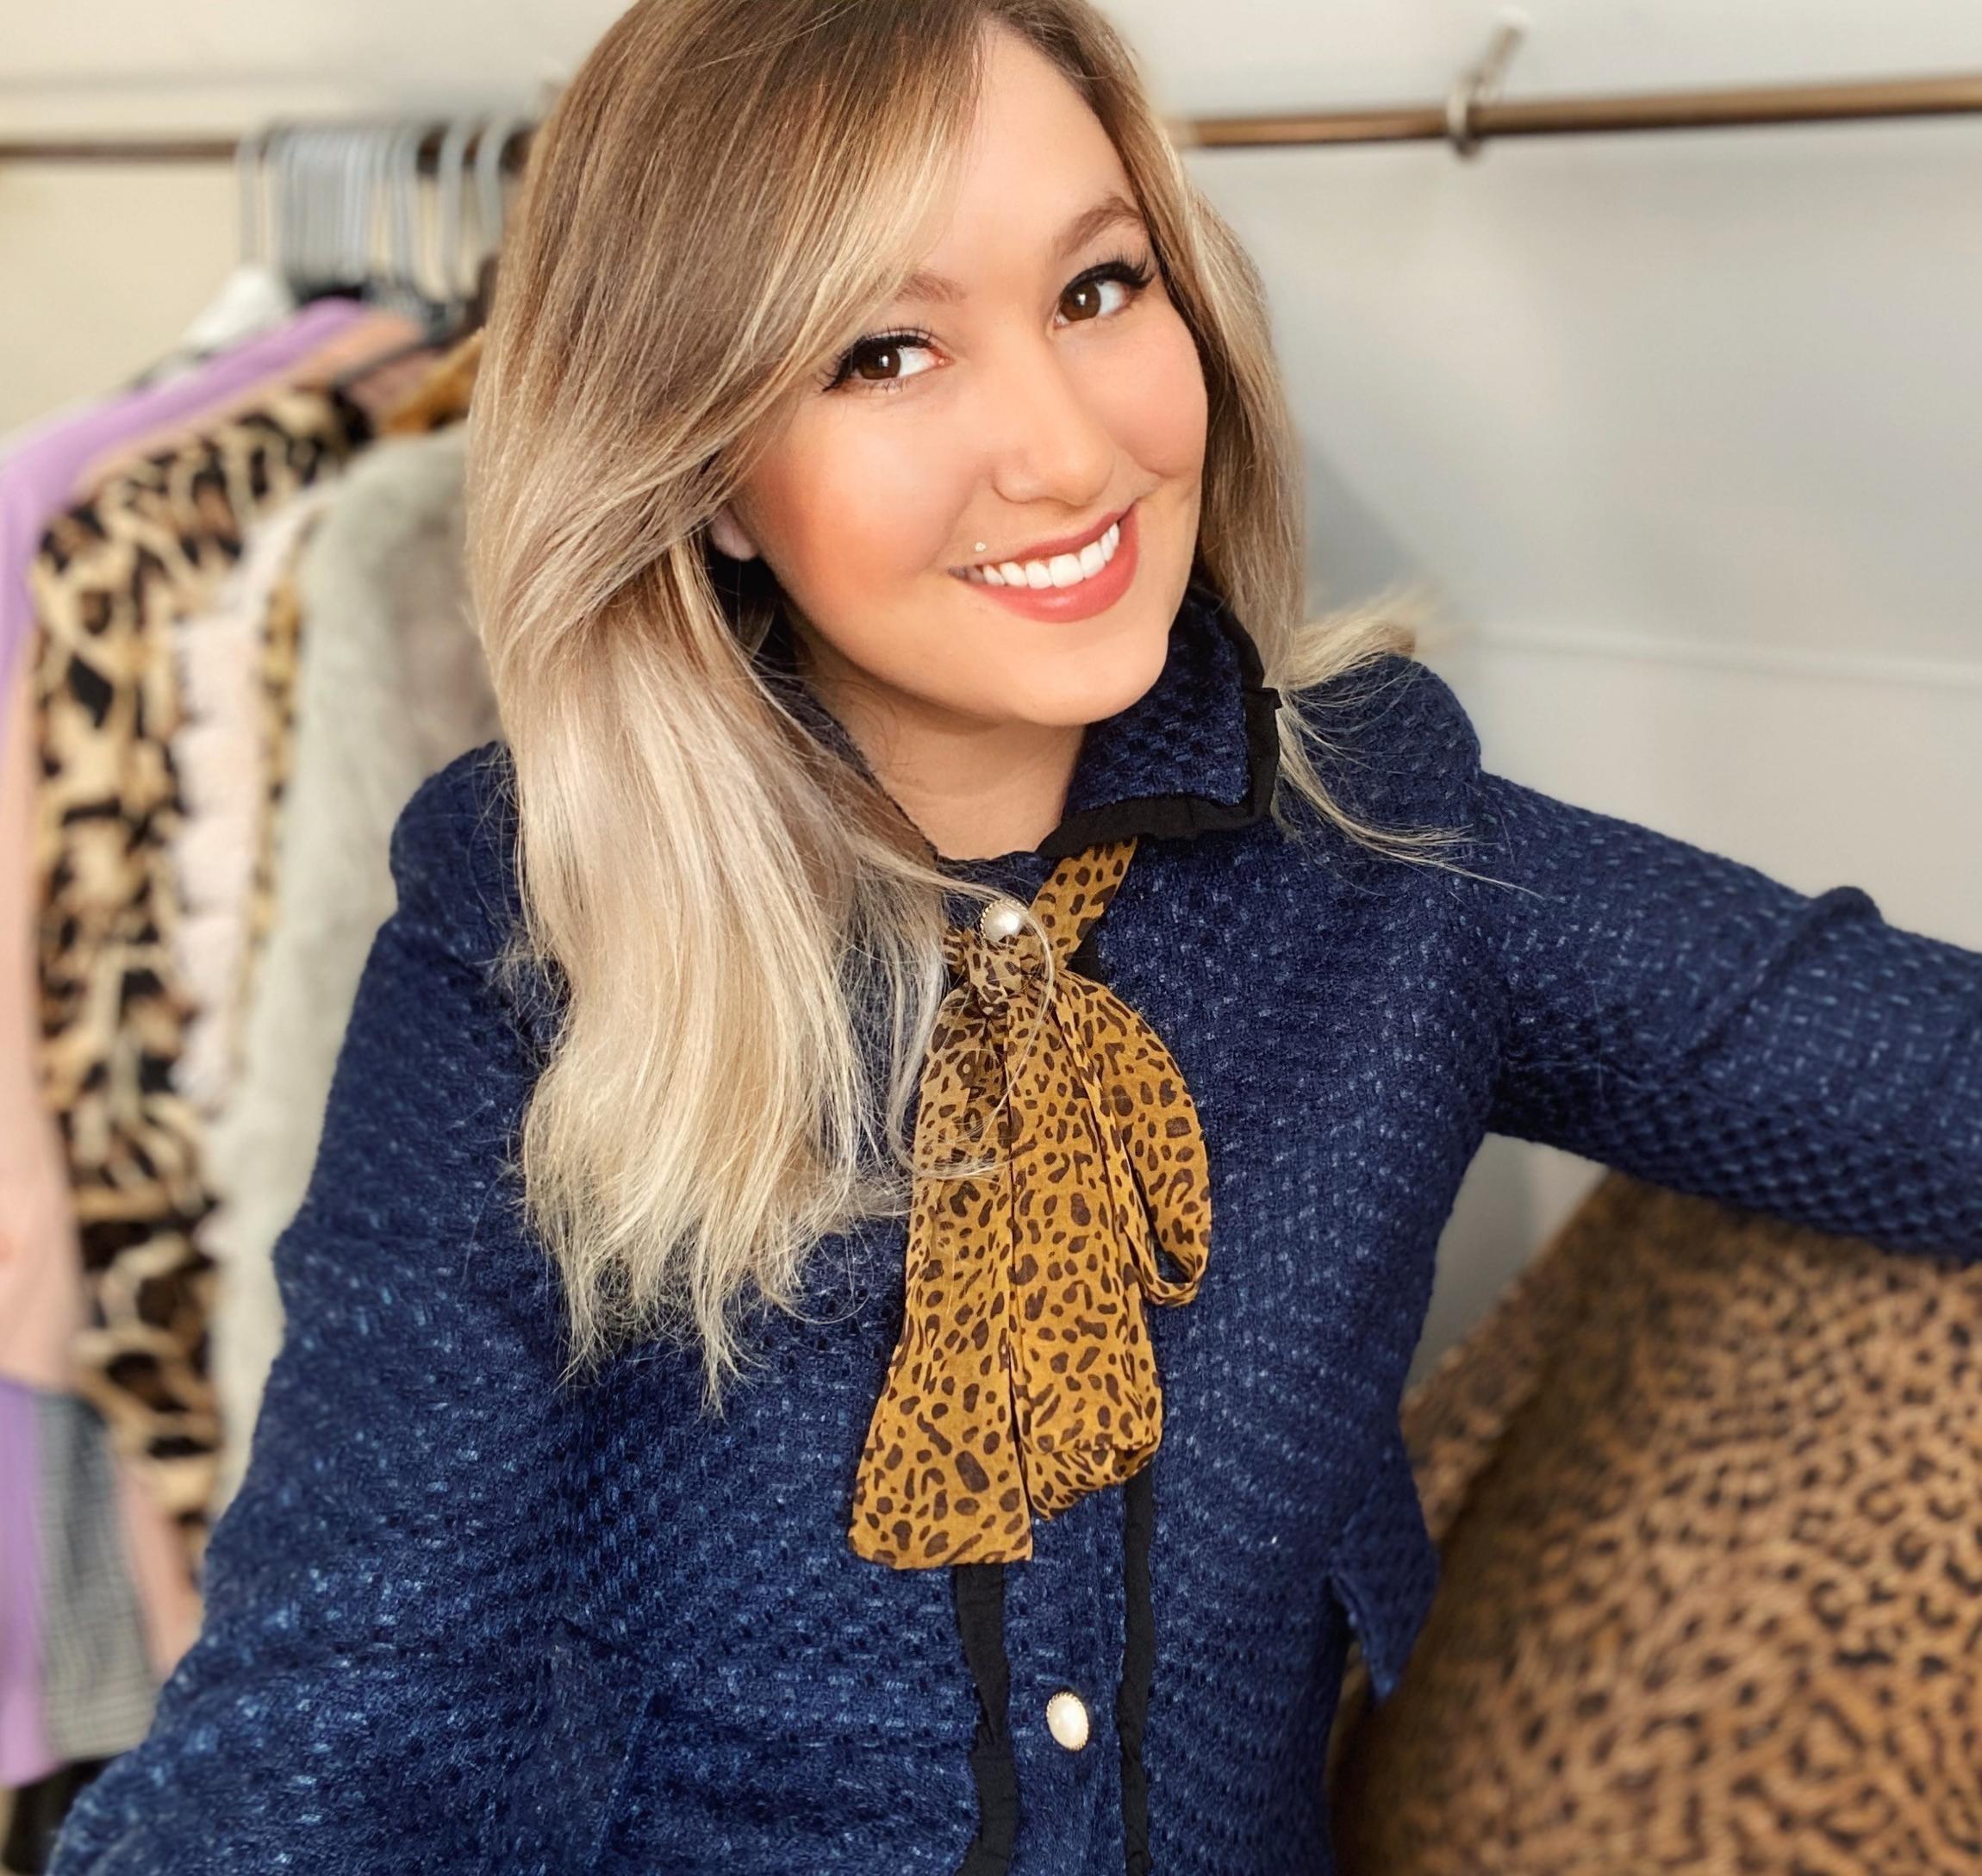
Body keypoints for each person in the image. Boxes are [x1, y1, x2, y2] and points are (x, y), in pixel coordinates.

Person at [47, 2, 1982, 1872]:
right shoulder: (530, 930)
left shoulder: (1393, 848)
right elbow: (344, 1689)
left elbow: (1928, 1087)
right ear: (706, 472)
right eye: (885, 352)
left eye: (1096, 287)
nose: (1062, 449)